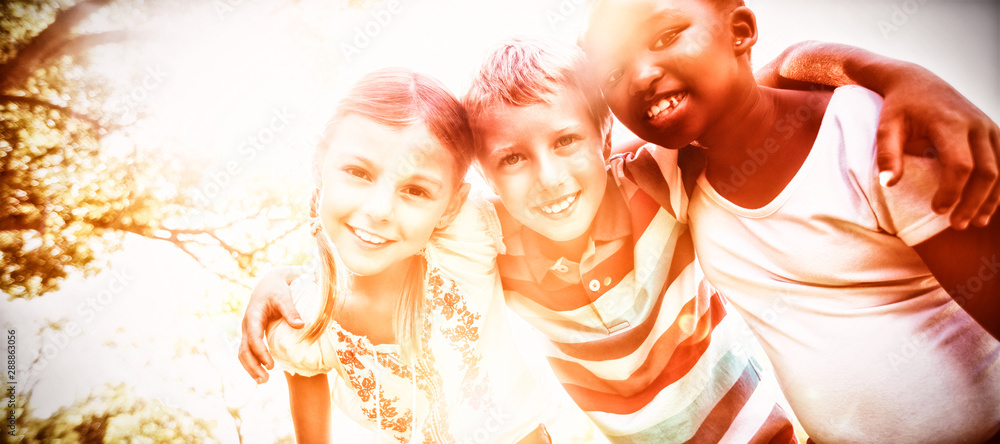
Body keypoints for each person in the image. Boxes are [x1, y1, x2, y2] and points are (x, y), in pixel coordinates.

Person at [243, 40, 1000, 443]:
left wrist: (896, 75)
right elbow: (379, 223)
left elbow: (756, 84)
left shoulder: (659, 181)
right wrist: (283, 278)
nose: (548, 179)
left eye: (567, 141)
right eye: (511, 160)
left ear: (604, 140)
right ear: (487, 180)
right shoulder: (489, 237)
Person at [582, 0, 1000, 442]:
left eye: (666, 37)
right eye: (612, 74)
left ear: (740, 31)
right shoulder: (676, 174)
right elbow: (575, 158)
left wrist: (898, 75)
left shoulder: (873, 134)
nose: (642, 76)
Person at [267, 67, 561, 443]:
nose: (379, 209)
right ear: (319, 167)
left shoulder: (463, 241)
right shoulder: (306, 318)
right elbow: (306, 389)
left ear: (452, 205)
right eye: (358, 172)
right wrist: (278, 281)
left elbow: (556, 185)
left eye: (416, 190)